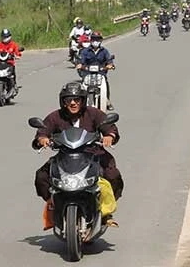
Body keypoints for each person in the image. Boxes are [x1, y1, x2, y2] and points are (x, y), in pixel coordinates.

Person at [32, 82, 123, 221]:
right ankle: (53, 203)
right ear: (63, 102)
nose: (73, 103)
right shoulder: (55, 116)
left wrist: (109, 136)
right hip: (65, 156)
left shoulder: (93, 113)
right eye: (68, 100)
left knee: (112, 175)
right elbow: (43, 130)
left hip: (93, 155)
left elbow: (108, 127)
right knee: (42, 176)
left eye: (77, 99)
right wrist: (42, 138)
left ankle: (106, 210)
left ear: (83, 100)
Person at [77, 31, 115, 110]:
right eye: (94, 39)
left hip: (101, 73)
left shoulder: (104, 51)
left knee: (105, 84)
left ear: (101, 40)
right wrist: (80, 65)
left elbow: (109, 60)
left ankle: (107, 101)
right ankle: (80, 102)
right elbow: (81, 60)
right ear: (91, 40)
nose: (95, 41)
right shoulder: (85, 51)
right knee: (82, 87)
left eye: (97, 39)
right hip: (87, 73)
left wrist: (110, 65)